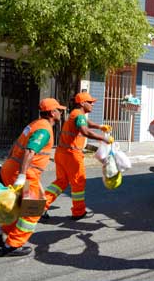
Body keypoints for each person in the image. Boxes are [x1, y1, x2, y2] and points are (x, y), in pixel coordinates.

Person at [0, 98, 66, 257]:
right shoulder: (44, 129)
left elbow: (16, 144)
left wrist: (11, 165)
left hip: (12, 168)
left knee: (20, 207)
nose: (61, 113)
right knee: (33, 210)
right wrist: (21, 175)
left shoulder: (34, 124)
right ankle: (12, 245)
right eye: (59, 110)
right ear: (51, 113)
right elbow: (29, 151)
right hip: (25, 173)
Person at [43, 92, 113, 221]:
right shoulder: (78, 115)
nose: (92, 104)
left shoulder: (76, 114)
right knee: (78, 183)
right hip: (72, 155)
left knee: (61, 182)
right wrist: (104, 139)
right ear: (82, 103)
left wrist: (99, 126)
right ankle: (78, 211)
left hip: (62, 153)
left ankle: (41, 207)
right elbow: (85, 131)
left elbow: (86, 123)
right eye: (90, 102)